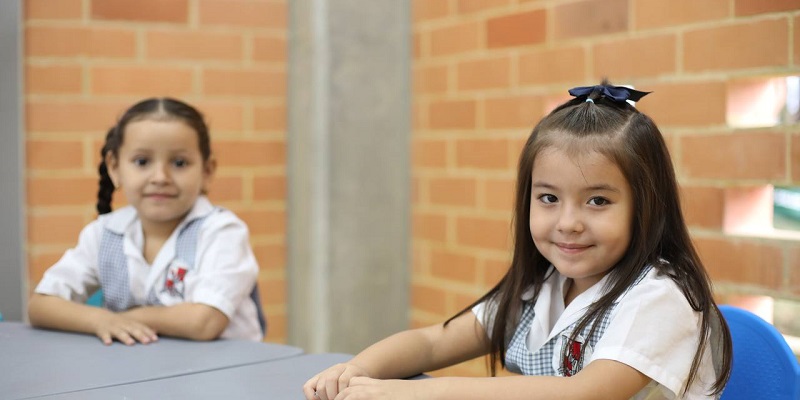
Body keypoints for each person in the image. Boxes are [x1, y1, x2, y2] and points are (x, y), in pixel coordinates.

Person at [303, 82, 733, 400]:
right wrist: (358, 370)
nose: (568, 222)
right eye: (549, 198)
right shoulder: (539, 288)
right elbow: (435, 341)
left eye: (597, 200)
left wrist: (408, 395)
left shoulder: (659, 297)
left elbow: (586, 394)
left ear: (647, 206)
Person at [28, 97, 265, 345]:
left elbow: (203, 322)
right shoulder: (103, 233)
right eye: (142, 162)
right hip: (142, 372)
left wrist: (128, 318)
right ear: (115, 167)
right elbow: (41, 306)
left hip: (225, 372)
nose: (160, 177)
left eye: (179, 163)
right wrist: (102, 321)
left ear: (207, 171)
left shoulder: (222, 232)